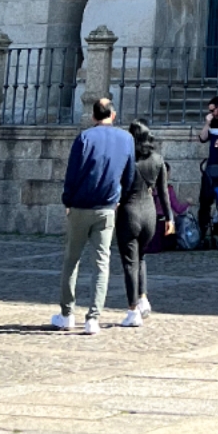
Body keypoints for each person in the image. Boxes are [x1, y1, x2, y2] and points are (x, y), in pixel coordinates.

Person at [52, 97, 134, 335]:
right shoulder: (126, 139)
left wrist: (67, 200)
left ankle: (67, 314)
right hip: (107, 207)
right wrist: (119, 198)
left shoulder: (85, 138)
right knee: (101, 263)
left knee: (72, 260)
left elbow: (72, 174)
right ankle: (93, 318)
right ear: (113, 115)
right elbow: (129, 175)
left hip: (80, 206)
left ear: (93, 116)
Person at [115, 121, 172, 328]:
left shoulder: (126, 158)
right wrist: (170, 218)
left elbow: (117, 186)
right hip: (149, 214)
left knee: (130, 262)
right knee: (141, 258)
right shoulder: (157, 160)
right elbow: (163, 193)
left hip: (129, 212)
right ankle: (143, 298)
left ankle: (132, 311)